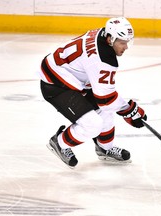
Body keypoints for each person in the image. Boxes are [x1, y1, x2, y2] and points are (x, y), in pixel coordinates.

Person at [38, 17, 147, 168]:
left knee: (105, 112)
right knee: (92, 125)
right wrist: (130, 110)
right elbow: (106, 99)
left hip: (71, 77)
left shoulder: (103, 35)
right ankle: (59, 142)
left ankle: (105, 149)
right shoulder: (103, 59)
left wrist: (128, 110)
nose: (126, 47)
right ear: (110, 39)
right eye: (122, 42)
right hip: (56, 84)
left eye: (127, 42)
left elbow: (105, 100)